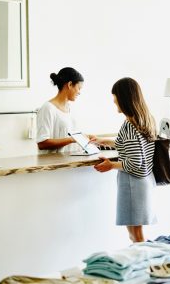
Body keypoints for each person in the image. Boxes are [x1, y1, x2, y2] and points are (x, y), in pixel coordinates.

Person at [94, 77, 156, 243]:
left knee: (136, 236)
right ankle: (147, 265)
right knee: (136, 235)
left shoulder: (129, 125)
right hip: (143, 181)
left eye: (116, 101)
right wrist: (102, 140)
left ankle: (148, 267)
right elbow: (131, 147)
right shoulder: (145, 119)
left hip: (132, 184)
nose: (115, 105)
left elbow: (135, 162)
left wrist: (110, 165)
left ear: (124, 99)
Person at [37, 67, 92, 153]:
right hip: (56, 164)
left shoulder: (71, 108)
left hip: (73, 162)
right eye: (79, 88)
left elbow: (71, 135)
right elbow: (42, 143)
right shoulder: (48, 108)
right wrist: (72, 139)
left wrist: (84, 137)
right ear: (70, 85)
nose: (79, 92)